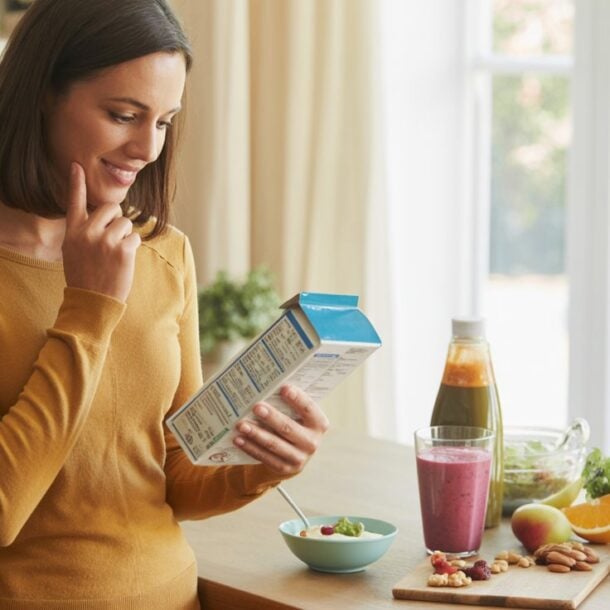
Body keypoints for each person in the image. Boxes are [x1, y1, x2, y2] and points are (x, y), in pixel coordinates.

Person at [0, 1, 329, 608]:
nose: (146, 148)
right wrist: (89, 310)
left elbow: (172, 471)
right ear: (43, 93)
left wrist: (262, 465)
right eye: (124, 115)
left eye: (163, 122)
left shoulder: (163, 252)